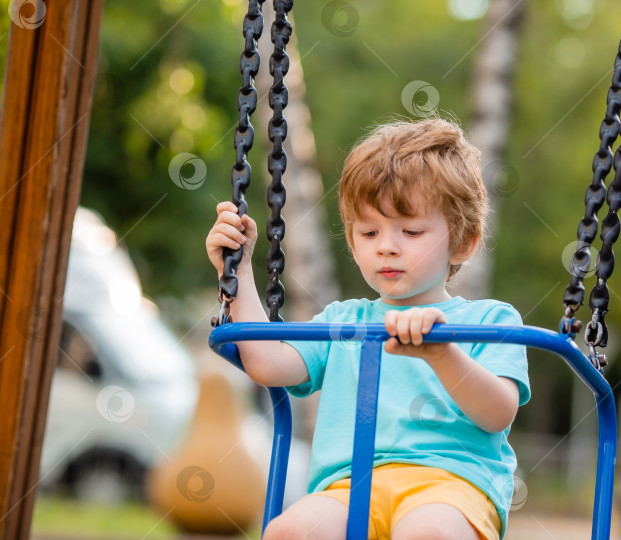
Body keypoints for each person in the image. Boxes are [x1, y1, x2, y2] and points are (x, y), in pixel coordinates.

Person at [205, 117, 530, 540]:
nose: (386, 245)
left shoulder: (489, 321)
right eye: (369, 231)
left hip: (450, 487)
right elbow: (266, 362)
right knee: (288, 532)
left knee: (427, 533)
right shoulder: (344, 322)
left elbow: (497, 413)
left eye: (411, 230)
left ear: (463, 242)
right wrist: (239, 271)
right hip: (349, 486)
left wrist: (441, 352)